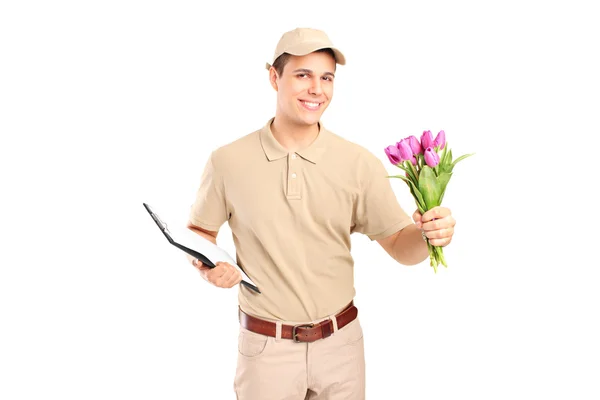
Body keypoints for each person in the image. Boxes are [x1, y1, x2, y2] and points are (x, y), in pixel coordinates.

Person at [185, 27, 457, 400]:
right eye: (303, 75)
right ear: (274, 77)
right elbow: (198, 233)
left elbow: (399, 246)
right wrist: (211, 267)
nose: (317, 89)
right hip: (266, 350)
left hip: (341, 347)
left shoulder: (357, 162)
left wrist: (429, 235)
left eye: (326, 77)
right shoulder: (228, 161)